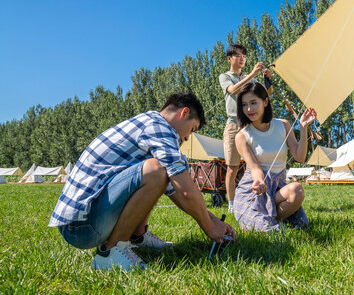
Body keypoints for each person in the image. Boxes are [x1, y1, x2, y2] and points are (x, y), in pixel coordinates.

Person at [49, 93, 235, 270]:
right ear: (183, 113)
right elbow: (185, 191)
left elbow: (178, 192)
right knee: (158, 170)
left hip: (80, 222)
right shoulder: (159, 127)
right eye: (191, 130)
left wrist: (214, 220)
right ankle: (110, 253)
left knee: (160, 172)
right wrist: (210, 228)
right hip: (81, 226)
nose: (186, 138)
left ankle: (138, 236)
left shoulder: (149, 125)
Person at [233, 82, 316, 232]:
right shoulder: (242, 136)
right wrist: (259, 181)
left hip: (278, 189)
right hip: (255, 191)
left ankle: (274, 220)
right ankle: (269, 222)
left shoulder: (283, 125)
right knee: (265, 231)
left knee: (297, 190)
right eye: (244, 105)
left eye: (253, 103)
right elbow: (254, 167)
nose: (249, 109)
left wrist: (303, 129)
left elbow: (299, 157)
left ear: (265, 102)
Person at [219, 44, 272, 213]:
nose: (242, 59)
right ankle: (232, 205)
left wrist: (266, 79)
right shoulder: (225, 76)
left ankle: (257, 200)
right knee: (233, 167)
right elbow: (234, 90)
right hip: (234, 124)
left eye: (244, 56)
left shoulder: (252, 79)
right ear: (230, 59)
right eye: (238, 56)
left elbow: (266, 94)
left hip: (251, 125)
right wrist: (253, 74)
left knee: (256, 164)